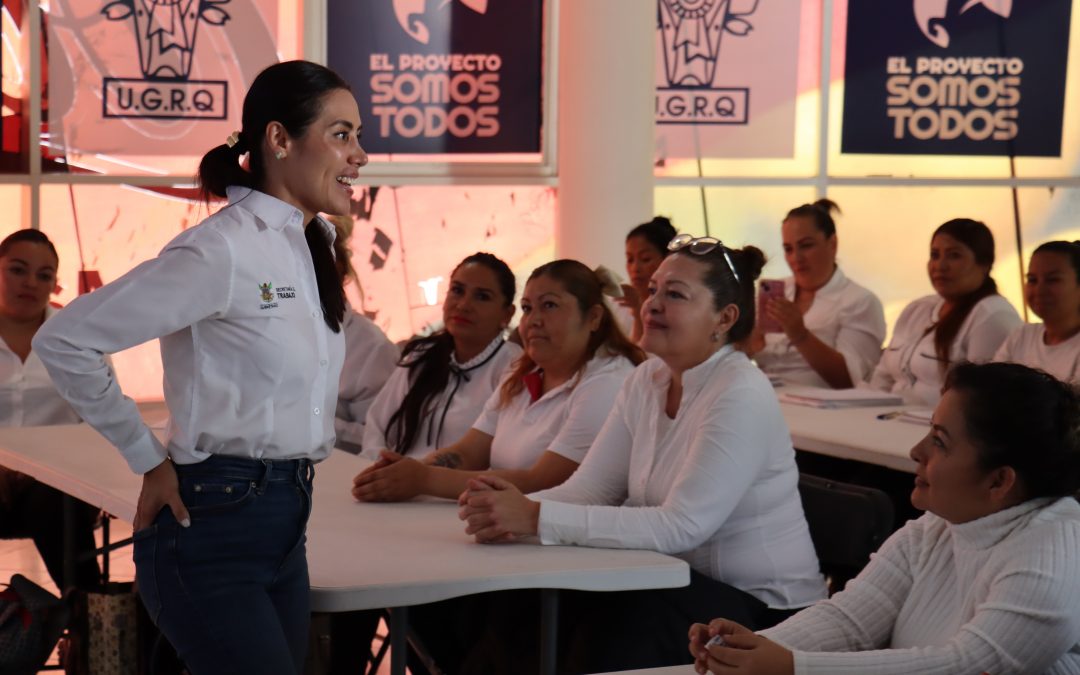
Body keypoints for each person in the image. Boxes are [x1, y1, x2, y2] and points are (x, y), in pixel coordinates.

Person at [33, 60, 367, 675]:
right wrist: (146, 457)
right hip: (211, 524)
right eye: (342, 134)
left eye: (358, 136)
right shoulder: (221, 250)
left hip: (286, 523)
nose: (360, 155)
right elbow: (67, 340)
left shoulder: (308, 245)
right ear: (279, 139)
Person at [458, 235, 826, 673]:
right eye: (652, 290)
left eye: (674, 295)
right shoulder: (646, 379)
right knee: (523, 598)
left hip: (764, 614)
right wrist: (510, 510)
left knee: (612, 618)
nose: (651, 304)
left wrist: (534, 518)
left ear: (724, 318)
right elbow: (592, 488)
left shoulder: (739, 390)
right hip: (672, 582)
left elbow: (682, 526)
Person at [689, 361, 1080, 675]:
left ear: (999, 480)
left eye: (940, 442)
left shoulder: (1052, 556)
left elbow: (965, 663)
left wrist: (791, 666)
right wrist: (753, 648)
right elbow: (851, 620)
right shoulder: (938, 527)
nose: (916, 450)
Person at [352, 259, 645, 502]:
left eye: (550, 306)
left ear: (593, 318)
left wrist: (423, 478)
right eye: (529, 308)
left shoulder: (607, 383)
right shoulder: (521, 375)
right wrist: (404, 470)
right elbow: (469, 452)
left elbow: (541, 482)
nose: (534, 320)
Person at [0, 229, 100, 591]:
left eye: (44, 276)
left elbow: (101, 418)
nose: (30, 283)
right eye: (17, 270)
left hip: (57, 483)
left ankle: (87, 620)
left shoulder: (75, 337)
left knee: (56, 499)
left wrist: (43, 467)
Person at [360, 252, 521, 461]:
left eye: (482, 296)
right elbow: (376, 425)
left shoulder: (513, 367)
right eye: (457, 290)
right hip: (389, 479)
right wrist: (378, 465)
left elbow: (503, 457)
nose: (463, 305)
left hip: (457, 490)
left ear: (507, 314)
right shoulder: (422, 355)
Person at [868, 218, 1021, 406]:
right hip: (886, 419)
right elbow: (882, 378)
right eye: (934, 255)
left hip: (938, 430)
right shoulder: (917, 309)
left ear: (985, 264)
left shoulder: (992, 316)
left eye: (954, 255)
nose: (940, 265)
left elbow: (980, 400)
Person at [747, 200, 886, 388]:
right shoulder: (775, 292)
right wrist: (748, 342)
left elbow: (851, 380)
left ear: (833, 243)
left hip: (828, 409)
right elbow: (747, 355)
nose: (796, 258)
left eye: (806, 245)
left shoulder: (860, 301)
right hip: (767, 396)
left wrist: (800, 335)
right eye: (788, 249)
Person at [328, 215, 399, 454]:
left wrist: (308, 425)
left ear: (340, 273)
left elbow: (383, 441)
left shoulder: (372, 348)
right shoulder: (280, 330)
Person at [995, 241, 1080, 383]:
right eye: (1032, 280)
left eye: (1053, 280)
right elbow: (988, 389)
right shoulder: (1021, 337)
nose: (1039, 290)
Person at [616, 216, 678, 342]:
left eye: (645, 259)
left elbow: (639, 358)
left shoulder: (675, 309)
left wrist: (637, 310)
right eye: (630, 260)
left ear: (667, 259)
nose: (635, 268)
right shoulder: (618, 305)